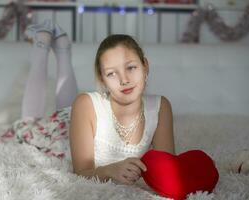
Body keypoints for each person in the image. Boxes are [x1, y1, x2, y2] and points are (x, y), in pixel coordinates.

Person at [69, 34, 175, 185]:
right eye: (111, 73)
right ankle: (62, 54)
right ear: (102, 79)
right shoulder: (85, 104)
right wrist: (109, 170)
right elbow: (80, 173)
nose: (124, 80)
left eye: (131, 67)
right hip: (62, 125)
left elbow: (168, 171)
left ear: (145, 66)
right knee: (37, 129)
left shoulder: (160, 107)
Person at [21, 19, 78, 121]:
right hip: (71, 132)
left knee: (29, 127)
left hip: (37, 135)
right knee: (67, 123)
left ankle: (42, 44)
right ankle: (63, 50)